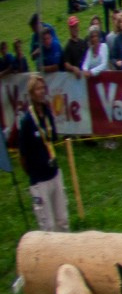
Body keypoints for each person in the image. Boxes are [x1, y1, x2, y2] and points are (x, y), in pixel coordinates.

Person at [10, 75, 67, 231]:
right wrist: (33, 173)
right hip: (39, 179)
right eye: (38, 89)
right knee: (48, 225)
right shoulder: (27, 121)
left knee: (62, 219)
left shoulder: (47, 112)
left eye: (43, 88)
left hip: (54, 172)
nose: (41, 92)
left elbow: (53, 138)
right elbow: (23, 155)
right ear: (31, 93)